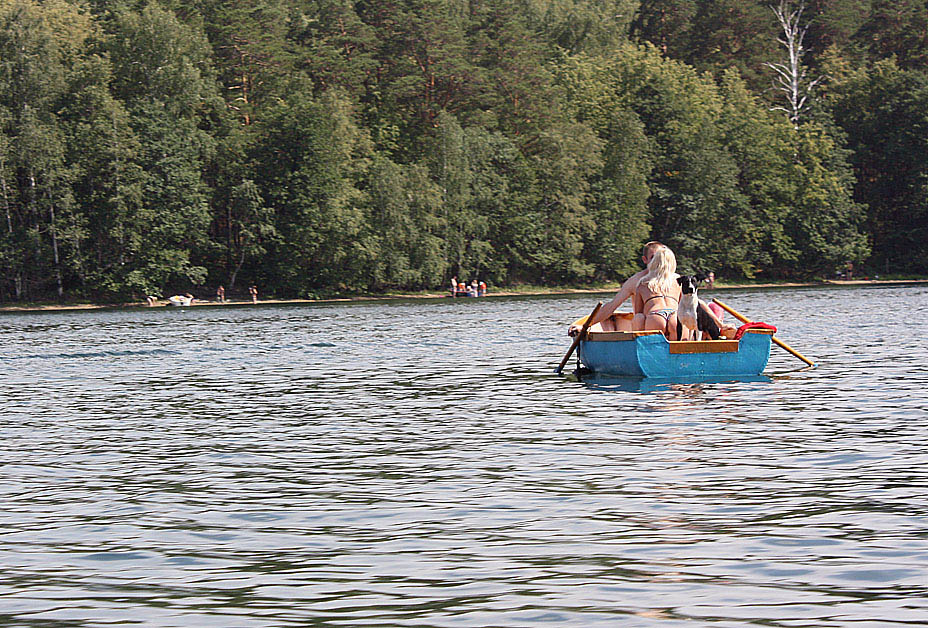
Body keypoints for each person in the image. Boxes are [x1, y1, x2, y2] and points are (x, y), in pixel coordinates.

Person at [569, 241, 666, 335]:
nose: (657, 262)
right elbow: (611, 306)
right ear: (645, 260)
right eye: (653, 257)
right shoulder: (635, 281)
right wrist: (585, 326)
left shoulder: (675, 279)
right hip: (645, 330)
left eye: (660, 257)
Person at [634, 247, 682, 340]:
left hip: (655, 316)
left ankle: (637, 346)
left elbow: (638, 311)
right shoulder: (678, 280)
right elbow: (682, 305)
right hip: (674, 316)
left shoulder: (643, 282)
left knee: (638, 317)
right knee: (675, 351)